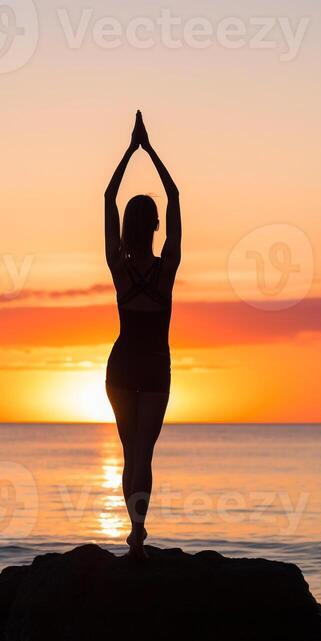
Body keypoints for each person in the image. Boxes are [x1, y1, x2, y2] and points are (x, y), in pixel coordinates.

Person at [104, 111, 181, 558]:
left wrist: (129, 151)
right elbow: (173, 194)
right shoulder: (166, 268)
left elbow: (109, 195)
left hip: (121, 364)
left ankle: (135, 531)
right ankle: (137, 532)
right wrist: (149, 150)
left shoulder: (120, 268)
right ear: (154, 227)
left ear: (126, 229)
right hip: (154, 364)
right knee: (143, 452)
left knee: (130, 452)